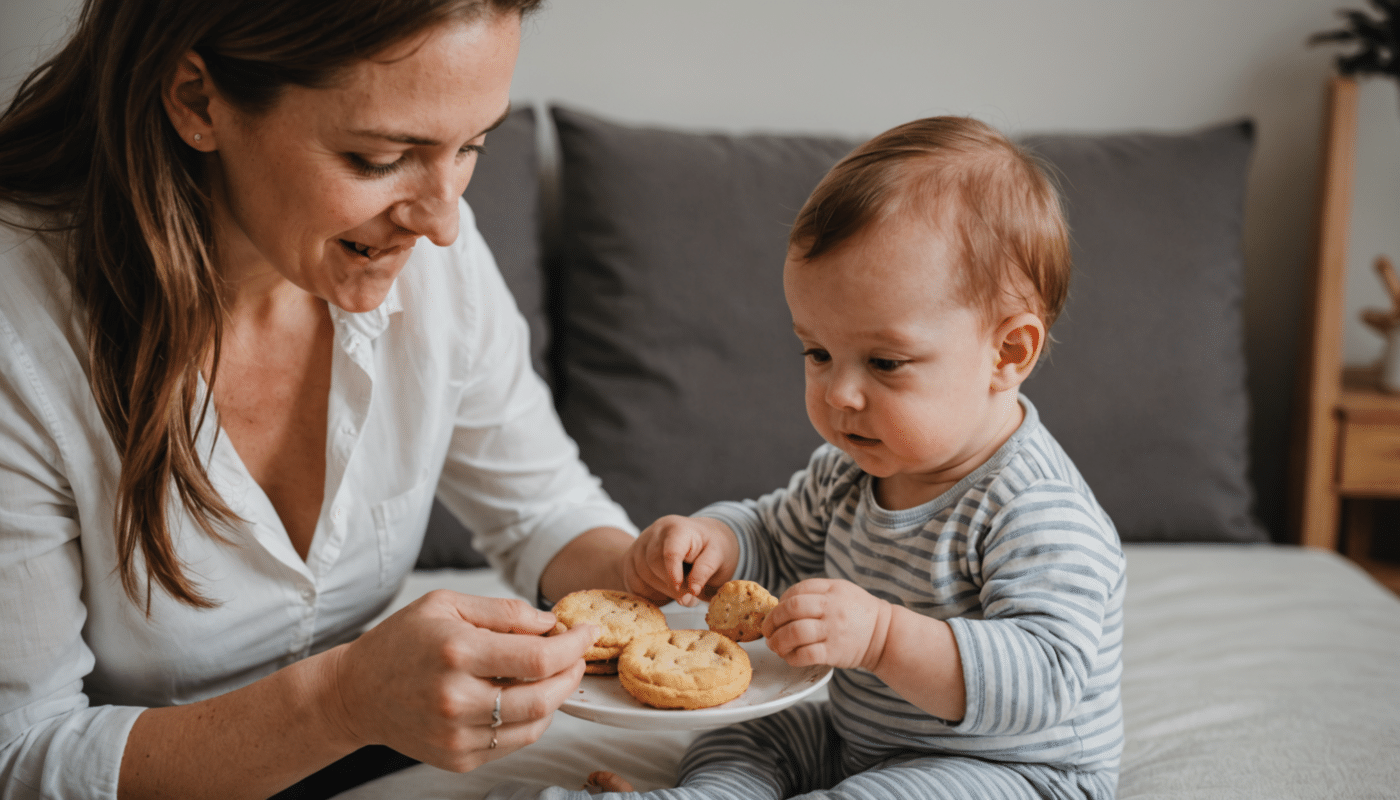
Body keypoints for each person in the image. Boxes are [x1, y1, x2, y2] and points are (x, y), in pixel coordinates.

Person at [0, 1, 659, 798]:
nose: (444, 223)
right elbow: (22, 755)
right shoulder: (21, 336)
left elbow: (541, 511)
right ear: (198, 101)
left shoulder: (431, 259)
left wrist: (650, 577)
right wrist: (343, 702)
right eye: (380, 158)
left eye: (473, 146)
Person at [494, 117, 1126, 800]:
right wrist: (712, 543)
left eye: (885, 362)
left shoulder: (1035, 507)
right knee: (737, 737)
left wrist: (882, 637)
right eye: (818, 352)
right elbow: (772, 537)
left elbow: (1047, 681)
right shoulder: (850, 472)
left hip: (1016, 772)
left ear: (1008, 353)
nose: (841, 393)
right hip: (866, 740)